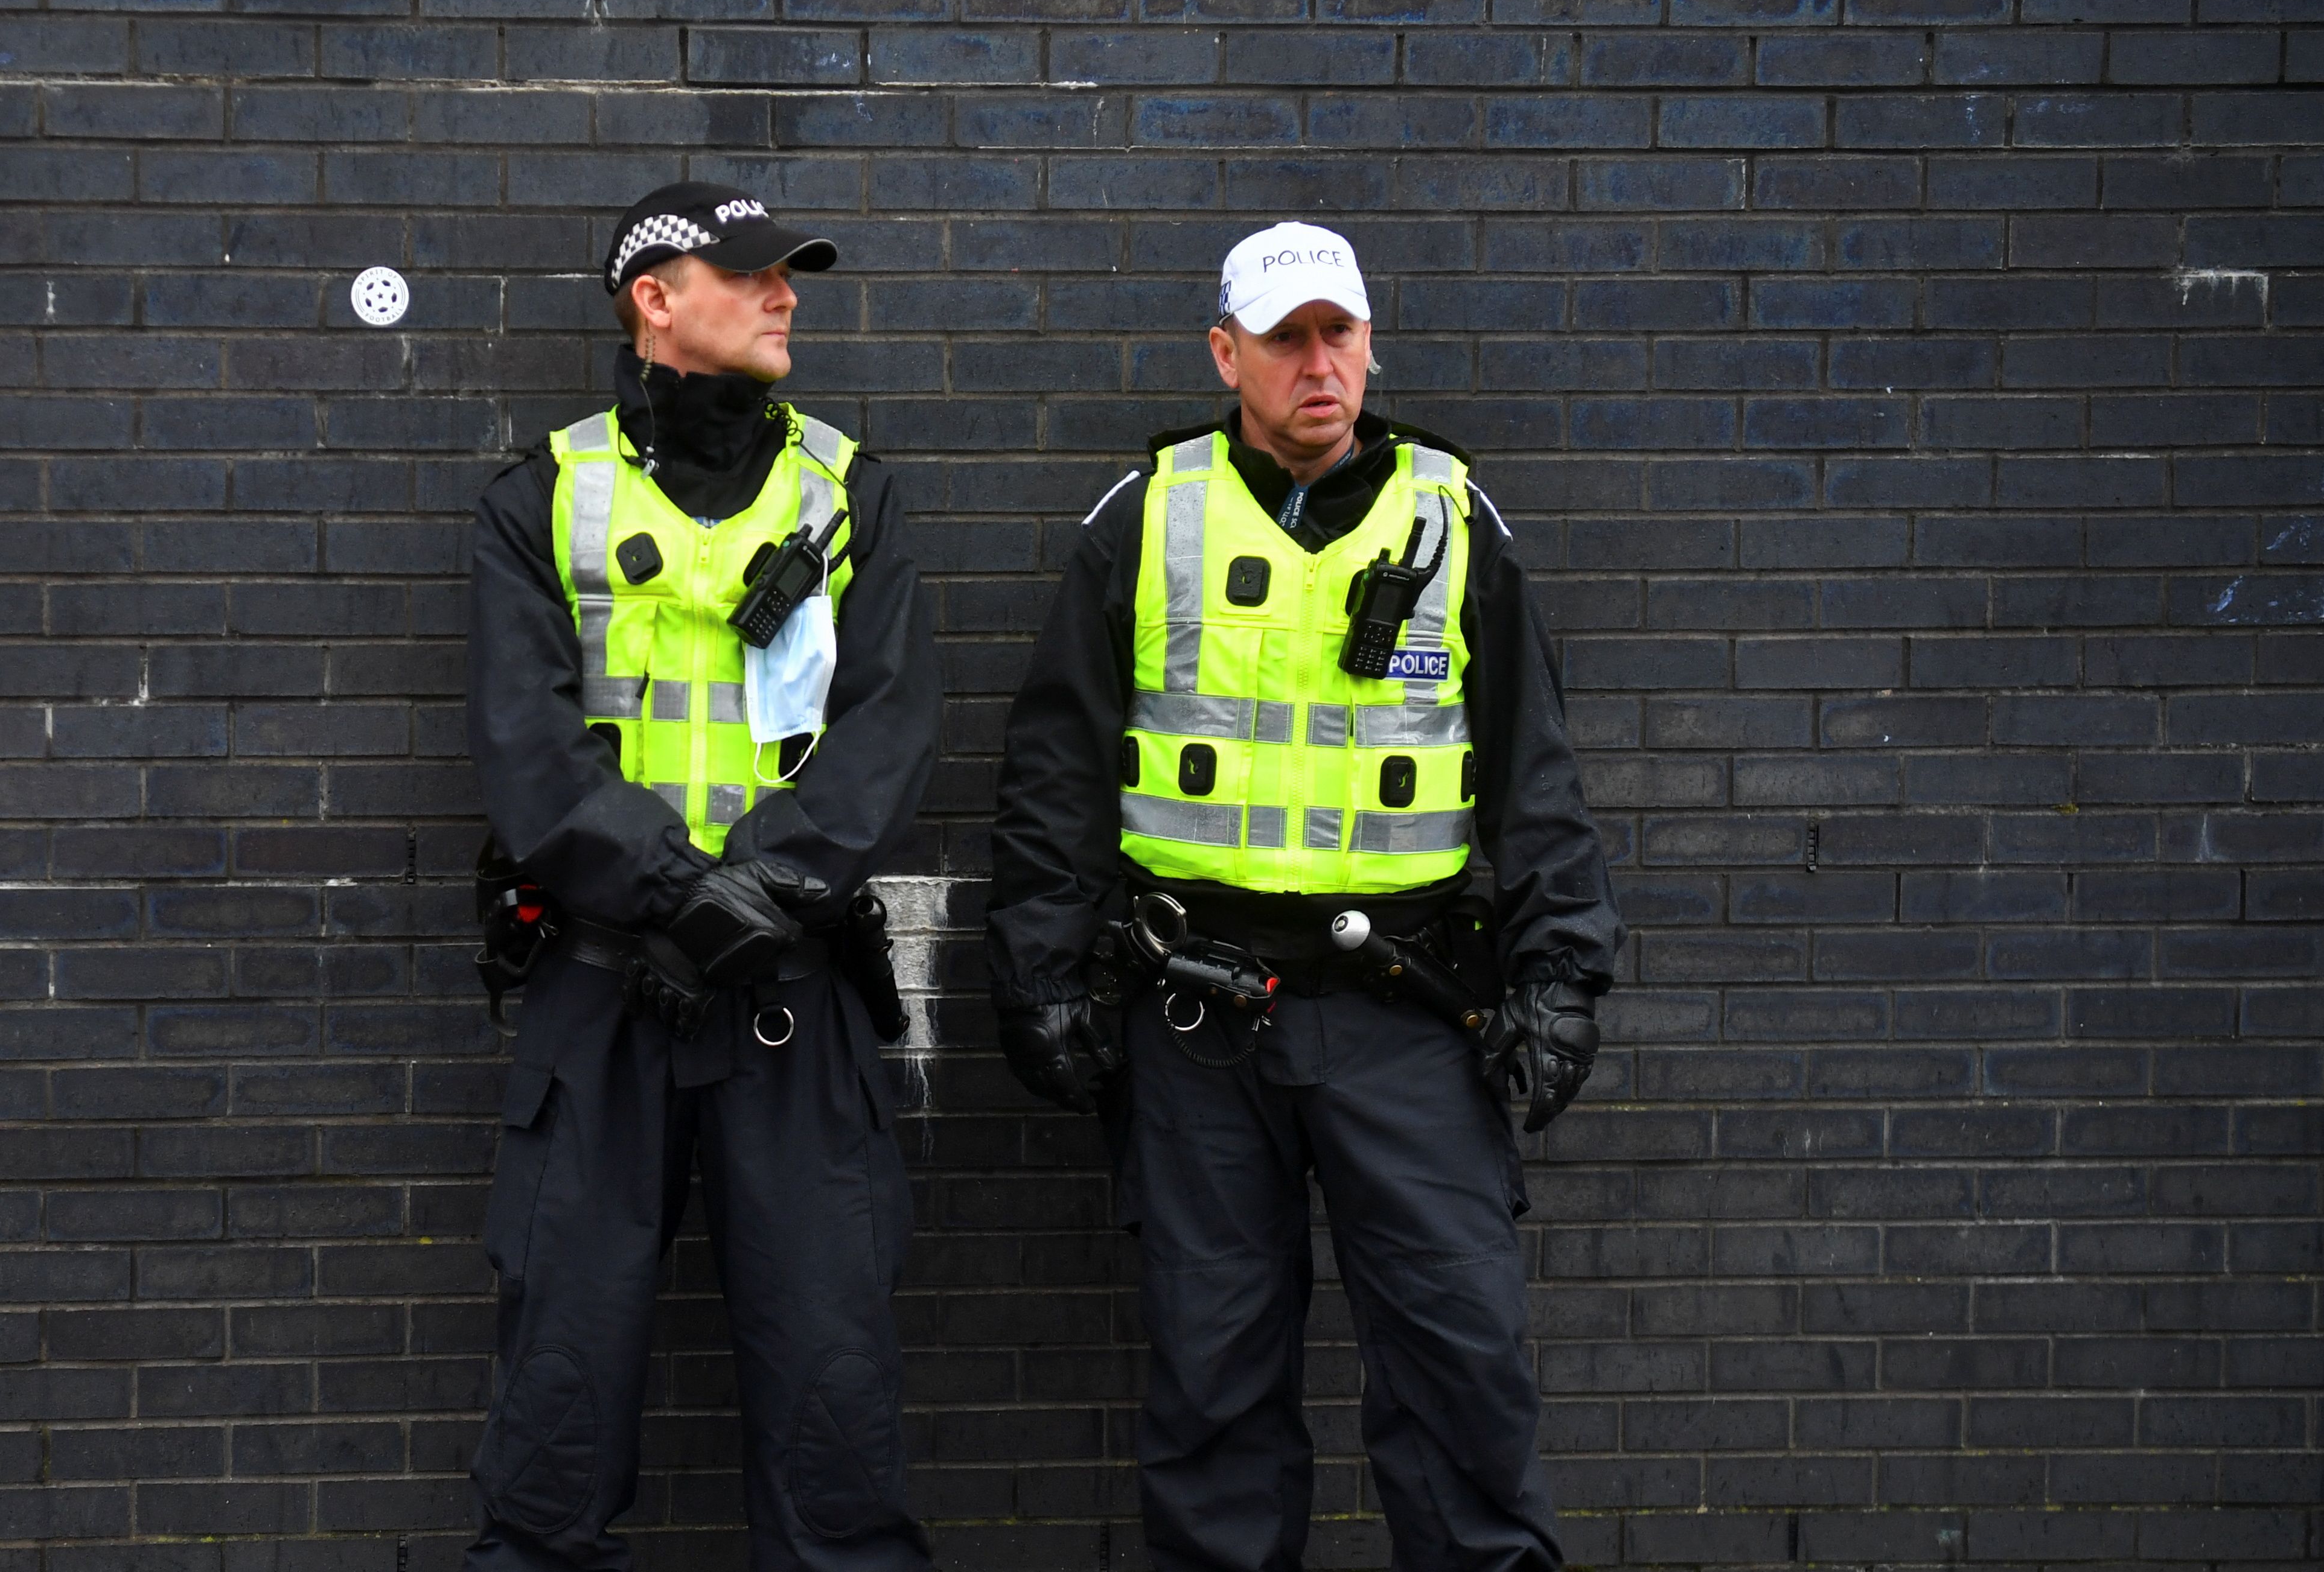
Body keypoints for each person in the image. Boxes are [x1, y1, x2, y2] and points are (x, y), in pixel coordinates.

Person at [982, 221, 1621, 1572]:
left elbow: (1536, 777)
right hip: (1196, 1016)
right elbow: (1055, 775)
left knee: (1461, 1366)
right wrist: (1038, 973)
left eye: (1339, 332)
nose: (1317, 362)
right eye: (1284, 338)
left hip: (1410, 1010)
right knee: (1212, 1386)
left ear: (1371, 340)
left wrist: (1560, 971)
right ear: (1227, 354)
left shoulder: (1451, 518)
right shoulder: (1146, 515)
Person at [461, 183, 942, 1572]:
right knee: (555, 1413)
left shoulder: (845, 491)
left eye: (789, 272)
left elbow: (890, 727)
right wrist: (674, 893)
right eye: (748, 272)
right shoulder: (539, 499)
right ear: (651, 298)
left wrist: (755, 894)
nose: (783, 292)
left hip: (791, 1004)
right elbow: (526, 747)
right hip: (601, 1002)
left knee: (833, 1408)